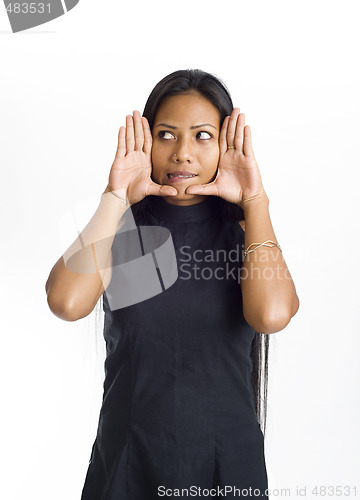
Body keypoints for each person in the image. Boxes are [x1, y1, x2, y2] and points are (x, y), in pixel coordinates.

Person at [45, 69, 300, 499]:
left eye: (202, 136)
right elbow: (66, 303)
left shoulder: (248, 239)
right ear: (147, 142)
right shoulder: (115, 234)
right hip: (128, 461)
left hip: (227, 467)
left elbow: (272, 316)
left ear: (225, 145)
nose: (183, 153)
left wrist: (255, 202)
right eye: (167, 135)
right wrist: (116, 197)